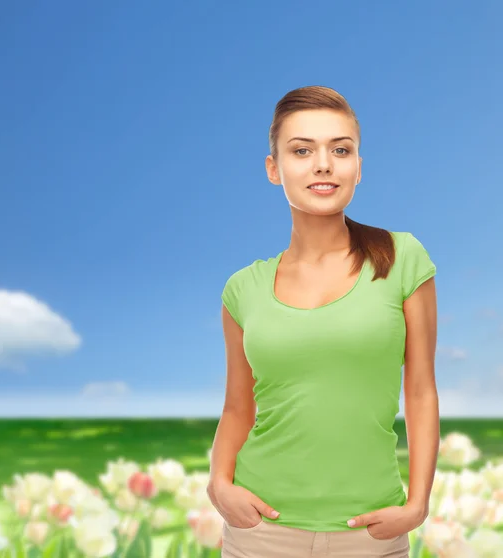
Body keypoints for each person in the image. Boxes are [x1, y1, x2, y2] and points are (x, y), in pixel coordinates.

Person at [207, 85, 439, 558]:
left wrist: (417, 504)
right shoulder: (242, 289)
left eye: (340, 149)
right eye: (301, 150)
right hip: (259, 532)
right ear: (274, 169)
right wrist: (218, 484)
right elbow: (237, 408)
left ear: (358, 166)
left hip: (371, 532)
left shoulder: (402, 258)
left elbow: (420, 391)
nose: (323, 164)